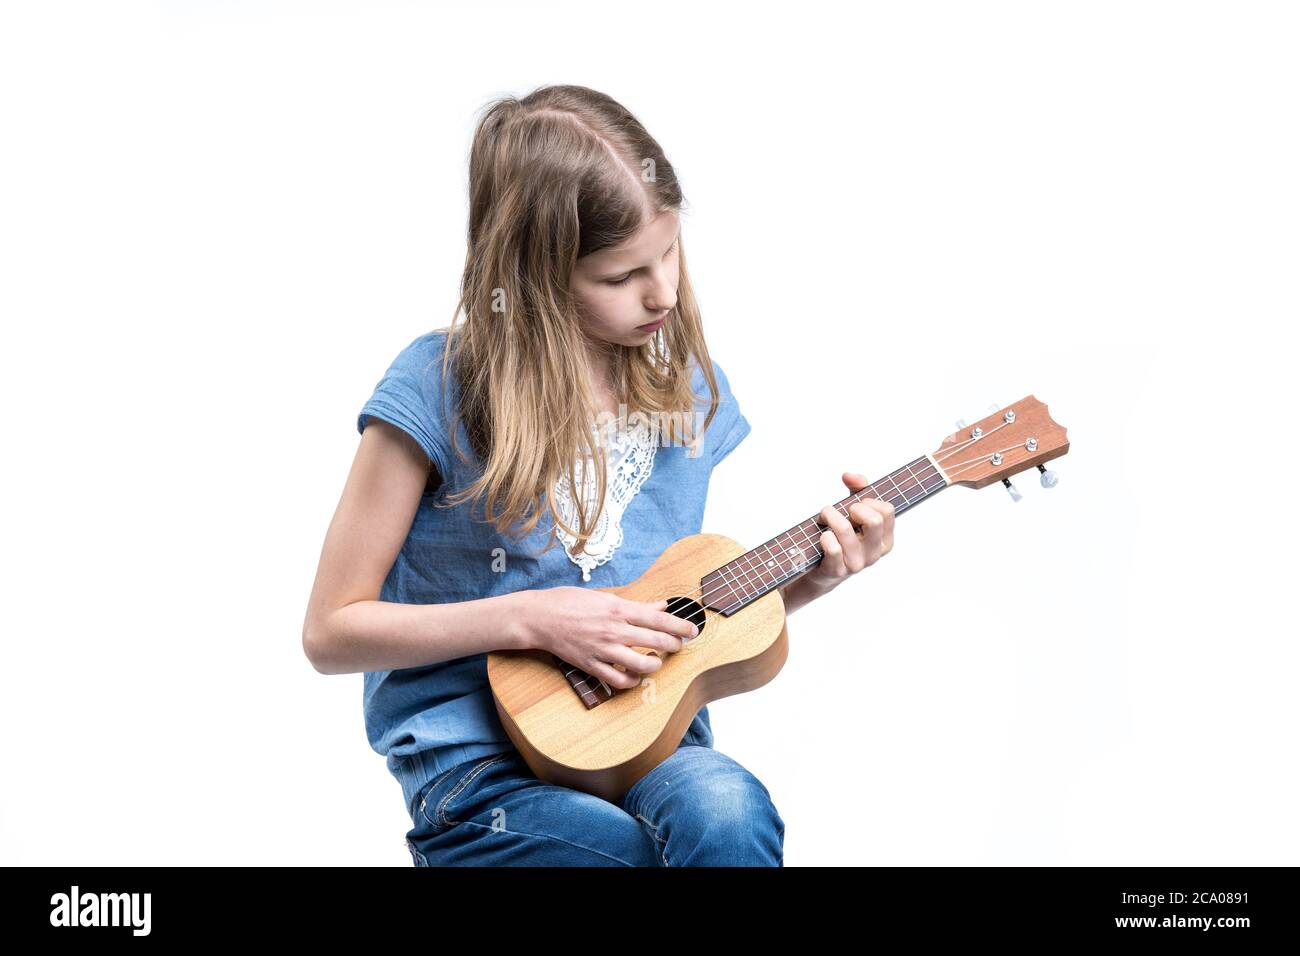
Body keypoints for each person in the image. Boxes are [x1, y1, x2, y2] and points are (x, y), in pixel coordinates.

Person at [301, 84, 896, 866]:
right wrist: (531, 617)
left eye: (669, 253)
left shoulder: (690, 393)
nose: (663, 292)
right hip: (479, 778)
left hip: (649, 743)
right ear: (536, 275)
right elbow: (331, 630)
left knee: (727, 809)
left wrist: (815, 577)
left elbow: (679, 617)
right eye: (620, 277)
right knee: (623, 854)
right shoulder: (438, 386)